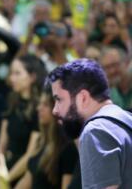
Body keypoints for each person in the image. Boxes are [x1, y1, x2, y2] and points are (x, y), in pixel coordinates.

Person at [49, 58, 132, 189]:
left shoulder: (95, 131)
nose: (55, 110)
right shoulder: (126, 119)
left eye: (59, 100)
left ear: (83, 98)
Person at [0, 55, 46, 185]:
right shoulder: (12, 101)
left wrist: (7, 178)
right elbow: (1, 144)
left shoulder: (39, 109)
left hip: (25, 174)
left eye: (18, 73)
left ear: (33, 77)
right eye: (11, 73)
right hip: (5, 167)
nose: (12, 78)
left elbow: (31, 153)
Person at [100, 46, 132, 111]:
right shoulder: (107, 94)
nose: (112, 71)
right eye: (107, 67)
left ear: (126, 63)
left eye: (115, 65)